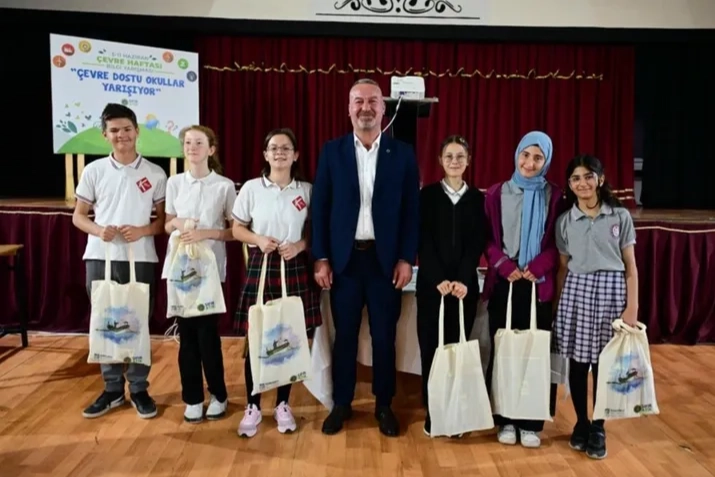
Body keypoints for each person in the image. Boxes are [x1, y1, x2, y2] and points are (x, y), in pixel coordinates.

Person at [312, 78, 420, 437]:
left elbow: (411, 211)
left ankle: (384, 404)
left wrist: (406, 258)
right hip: (344, 262)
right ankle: (342, 402)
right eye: (358, 101)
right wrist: (321, 257)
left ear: (383, 108)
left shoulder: (402, 154)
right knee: (344, 336)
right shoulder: (332, 152)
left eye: (372, 101)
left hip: (385, 263)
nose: (365, 108)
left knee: (384, 337)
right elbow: (320, 208)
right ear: (349, 109)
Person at [72, 103, 166, 419]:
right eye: (114, 130)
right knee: (106, 321)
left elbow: (163, 223)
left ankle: (139, 389)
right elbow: (78, 217)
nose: (121, 135)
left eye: (126, 129)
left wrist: (142, 230)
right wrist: (99, 230)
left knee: (138, 322)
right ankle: (112, 389)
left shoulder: (155, 173)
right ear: (105, 135)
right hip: (100, 257)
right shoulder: (94, 170)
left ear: (137, 131)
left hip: (141, 258)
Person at [232, 128, 322, 438]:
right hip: (262, 265)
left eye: (285, 148)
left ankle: (283, 403)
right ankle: (253, 405)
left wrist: (300, 246)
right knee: (257, 336)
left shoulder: (307, 191)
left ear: (296, 155)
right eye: (273, 148)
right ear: (265, 154)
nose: (279, 153)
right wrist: (257, 239)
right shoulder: (251, 188)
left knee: (288, 336)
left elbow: (315, 232)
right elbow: (237, 228)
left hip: (293, 265)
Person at [554, 154, 638, 460]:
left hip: (611, 294)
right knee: (578, 364)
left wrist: (632, 306)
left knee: (605, 364)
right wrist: (557, 306)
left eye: (588, 176)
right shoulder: (565, 221)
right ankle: (581, 422)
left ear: (600, 179)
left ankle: (599, 426)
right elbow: (563, 268)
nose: (582, 183)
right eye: (575, 178)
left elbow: (630, 266)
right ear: (569, 184)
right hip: (577, 293)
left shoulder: (619, 216)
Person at [482, 131, 563, 448]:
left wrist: (541, 264)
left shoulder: (555, 196)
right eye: (525, 155)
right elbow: (486, 238)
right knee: (504, 352)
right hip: (505, 282)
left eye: (538, 157)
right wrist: (503, 264)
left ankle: (531, 423)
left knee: (535, 353)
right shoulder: (496, 193)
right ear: (516, 155)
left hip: (537, 285)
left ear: (546, 161)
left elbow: (559, 243)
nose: (530, 163)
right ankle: (505, 419)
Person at [163, 125, 235, 423]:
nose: (192, 147)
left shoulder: (224, 186)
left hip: (209, 270)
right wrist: (179, 223)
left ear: (211, 149)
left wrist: (206, 232)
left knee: (207, 336)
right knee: (187, 336)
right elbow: (166, 224)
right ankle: (192, 398)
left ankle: (218, 394)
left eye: (199, 143)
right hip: (181, 269)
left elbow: (234, 231)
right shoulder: (174, 183)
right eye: (188, 143)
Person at [416, 135, 487, 436]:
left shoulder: (479, 199)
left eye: (460, 156)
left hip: (463, 288)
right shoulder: (427, 196)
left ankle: (456, 411)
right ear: (440, 161)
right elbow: (422, 239)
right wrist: (437, 279)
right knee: (431, 348)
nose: (455, 161)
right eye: (449, 156)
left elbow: (477, 243)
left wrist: (462, 279)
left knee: (458, 347)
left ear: (468, 161)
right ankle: (434, 411)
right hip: (432, 287)